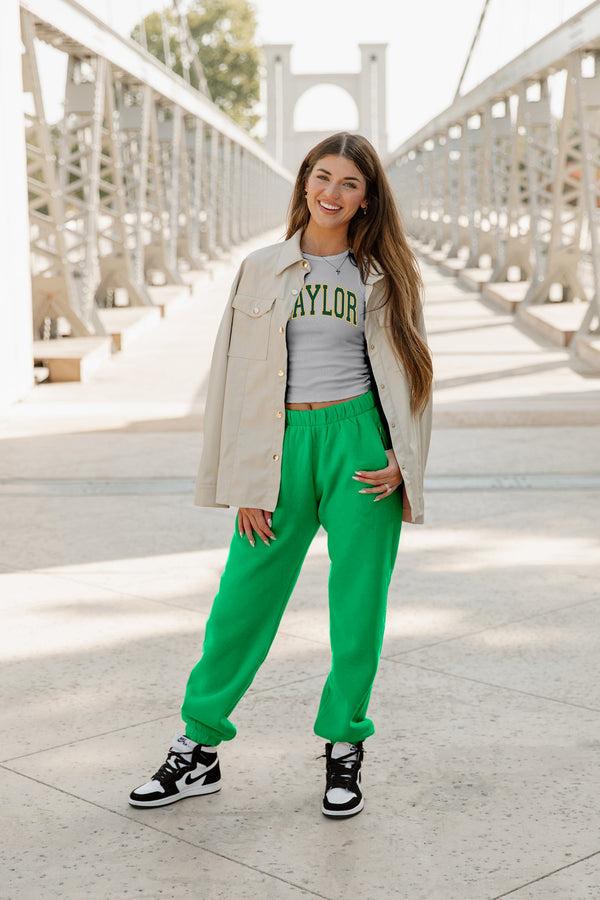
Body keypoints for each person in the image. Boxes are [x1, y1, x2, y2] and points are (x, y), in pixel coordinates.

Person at [129, 131, 434, 819]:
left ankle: (344, 744)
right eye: (322, 177)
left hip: (359, 447)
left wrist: (402, 458)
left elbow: (416, 370)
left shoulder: (385, 273)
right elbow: (234, 378)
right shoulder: (260, 268)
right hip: (280, 446)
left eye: (349, 183)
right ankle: (198, 746)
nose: (332, 192)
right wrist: (243, 481)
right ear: (304, 182)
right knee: (242, 600)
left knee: (358, 608)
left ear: (367, 198)